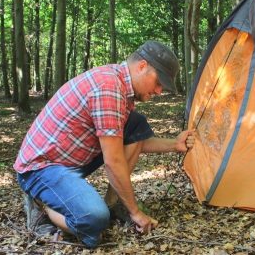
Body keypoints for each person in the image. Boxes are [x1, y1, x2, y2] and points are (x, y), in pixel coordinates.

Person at [13, 40, 195, 248]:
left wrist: (175, 145)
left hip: (69, 160)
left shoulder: (119, 85)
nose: (159, 91)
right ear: (142, 66)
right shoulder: (109, 88)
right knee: (93, 221)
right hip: (40, 168)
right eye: (158, 81)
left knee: (135, 125)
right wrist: (136, 212)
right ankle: (41, 202)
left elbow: (133, 142)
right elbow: (113, 160)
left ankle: (112, 204)